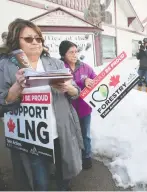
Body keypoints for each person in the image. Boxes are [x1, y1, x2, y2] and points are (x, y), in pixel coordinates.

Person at [0, 18, 83, 191]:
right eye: (29, 39)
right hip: (32, 137)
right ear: (16, 41)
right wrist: (16, 87)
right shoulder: (5, 66)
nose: (35, 43)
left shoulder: (56, 63)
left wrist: (68, 88)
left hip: (60, 131)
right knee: (39, 182)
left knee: (65, 173)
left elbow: (76, 92)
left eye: (38, 39)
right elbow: (3, 103)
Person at [59, 40, 96, 170]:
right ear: (63, 54)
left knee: (85, 134)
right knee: (70, 136)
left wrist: (89, 81)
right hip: (67, 110)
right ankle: (73, 160)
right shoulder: (59, 68)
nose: (74, 55)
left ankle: (86, 157)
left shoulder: (86, 67)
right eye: (71, 52)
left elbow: (97, 82)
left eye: (76, 52)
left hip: (84, 108)